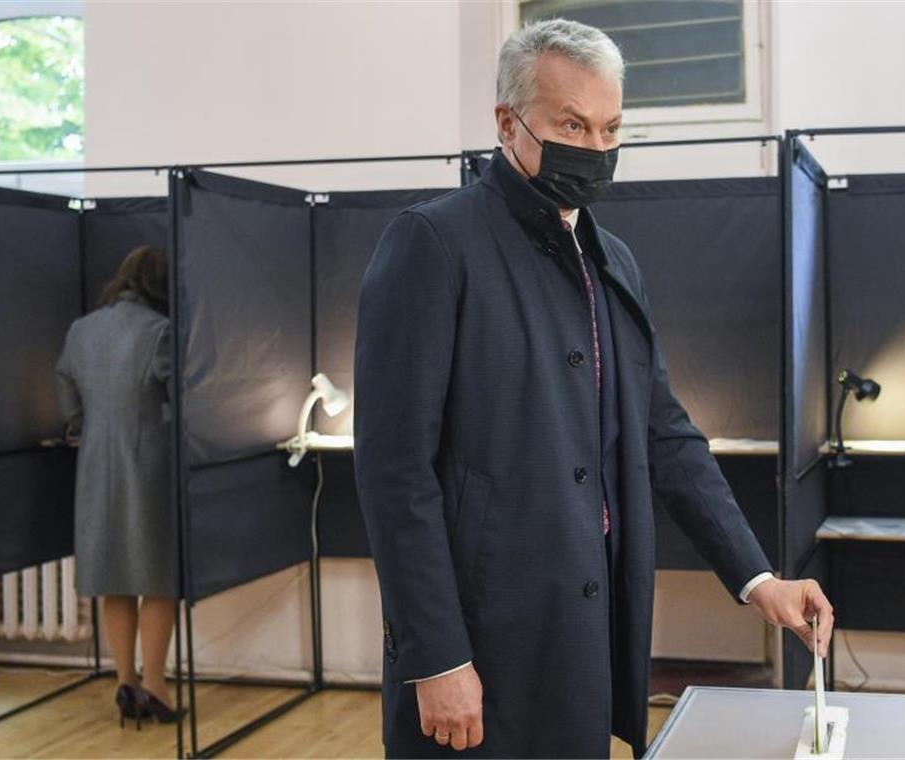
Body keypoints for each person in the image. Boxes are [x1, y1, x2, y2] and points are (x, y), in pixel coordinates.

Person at [353, 18, 835, 759]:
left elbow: (664, 435)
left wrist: (757, 575)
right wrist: (437, 656)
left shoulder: (613, 262)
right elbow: (395, 474)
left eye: (612, 128)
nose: (597, 148)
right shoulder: (434, 244)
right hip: (479, 644)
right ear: (507, 122)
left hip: (586, 635)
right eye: (572, 124)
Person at [55, 244, 186, 729]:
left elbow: (64, 383)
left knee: (113, 576)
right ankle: (156, 685)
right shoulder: (161, 332)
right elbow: (177, 401)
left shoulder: (82, 329)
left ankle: (125, 682)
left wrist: (78, 423)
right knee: (158, 577)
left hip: (94, 465)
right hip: (148, 465)